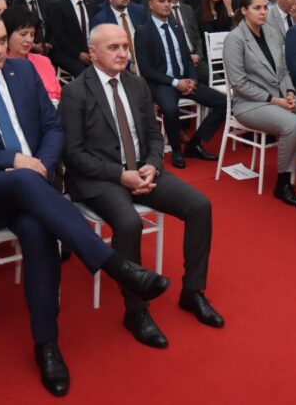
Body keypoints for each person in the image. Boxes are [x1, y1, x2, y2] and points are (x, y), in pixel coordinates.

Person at [0, 10, 170, 397]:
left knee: (39, 232)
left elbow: (53, 129)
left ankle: (46, 345)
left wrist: (39, 165)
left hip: (34, 187)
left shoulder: (23, 73)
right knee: (25, 183)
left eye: (2, 39)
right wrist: (12, 161)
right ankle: (113, 264)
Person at [60, 24, 222, 348]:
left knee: (199, 205)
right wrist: (121, 176)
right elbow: (73, 154)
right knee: (129, 222)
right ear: (93, 53)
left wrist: (153, 165)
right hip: (101, 178)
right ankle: (136, 311)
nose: (123, 54)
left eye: (125, 46)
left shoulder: (137, 84)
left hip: (143, 169)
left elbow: (153, 135)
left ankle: (192, 291)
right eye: (113, 48)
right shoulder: (75, 92)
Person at [223, 0, 296, 205]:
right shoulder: (235, 39)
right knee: (293, 123)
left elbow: (284, 70)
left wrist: (290, 92)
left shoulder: (272, 32)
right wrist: (275, 100)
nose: (263, 12)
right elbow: (239, 84)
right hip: (249, 104)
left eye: (265, 7)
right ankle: (283, 184)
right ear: (244, 10)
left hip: (282, 96)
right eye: (257, 8)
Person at [134, 0, 225, 168]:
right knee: (170, 109)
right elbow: (146, 69)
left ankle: (194, 144)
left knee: (223, 102)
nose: (167, 4)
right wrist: (175, 83)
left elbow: (187, 58)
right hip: (162, 83)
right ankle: (176, 150)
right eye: (161, 1)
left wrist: (193, 79)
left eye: (169, 1)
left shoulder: (176, 27)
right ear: (151, 5)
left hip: (185, 79)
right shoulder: (143, 31)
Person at [2, 7, 62, 104]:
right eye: (23, 34)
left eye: (32, 34)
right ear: (7, 35)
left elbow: (60, 96)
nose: (29, 40)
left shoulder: (44, 61)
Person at [46, 0, 93, 77]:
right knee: (85, 73)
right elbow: (58, 35)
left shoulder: (90, 4)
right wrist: (78, 54)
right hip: (66, 52)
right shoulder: (58, 6)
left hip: (89, 50)